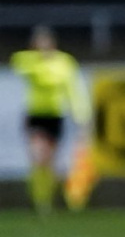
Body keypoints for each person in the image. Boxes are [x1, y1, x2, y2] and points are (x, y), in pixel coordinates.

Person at [13, 26, 93, 213]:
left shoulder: (64, 63)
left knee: (50, 162)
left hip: (56, 116)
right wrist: (43, 65)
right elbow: (20, 63)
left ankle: (46, 200)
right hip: (36, 115)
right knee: (38, 156)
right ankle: (39, 200)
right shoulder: (28, 61)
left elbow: (72, 90)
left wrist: (81, 114)